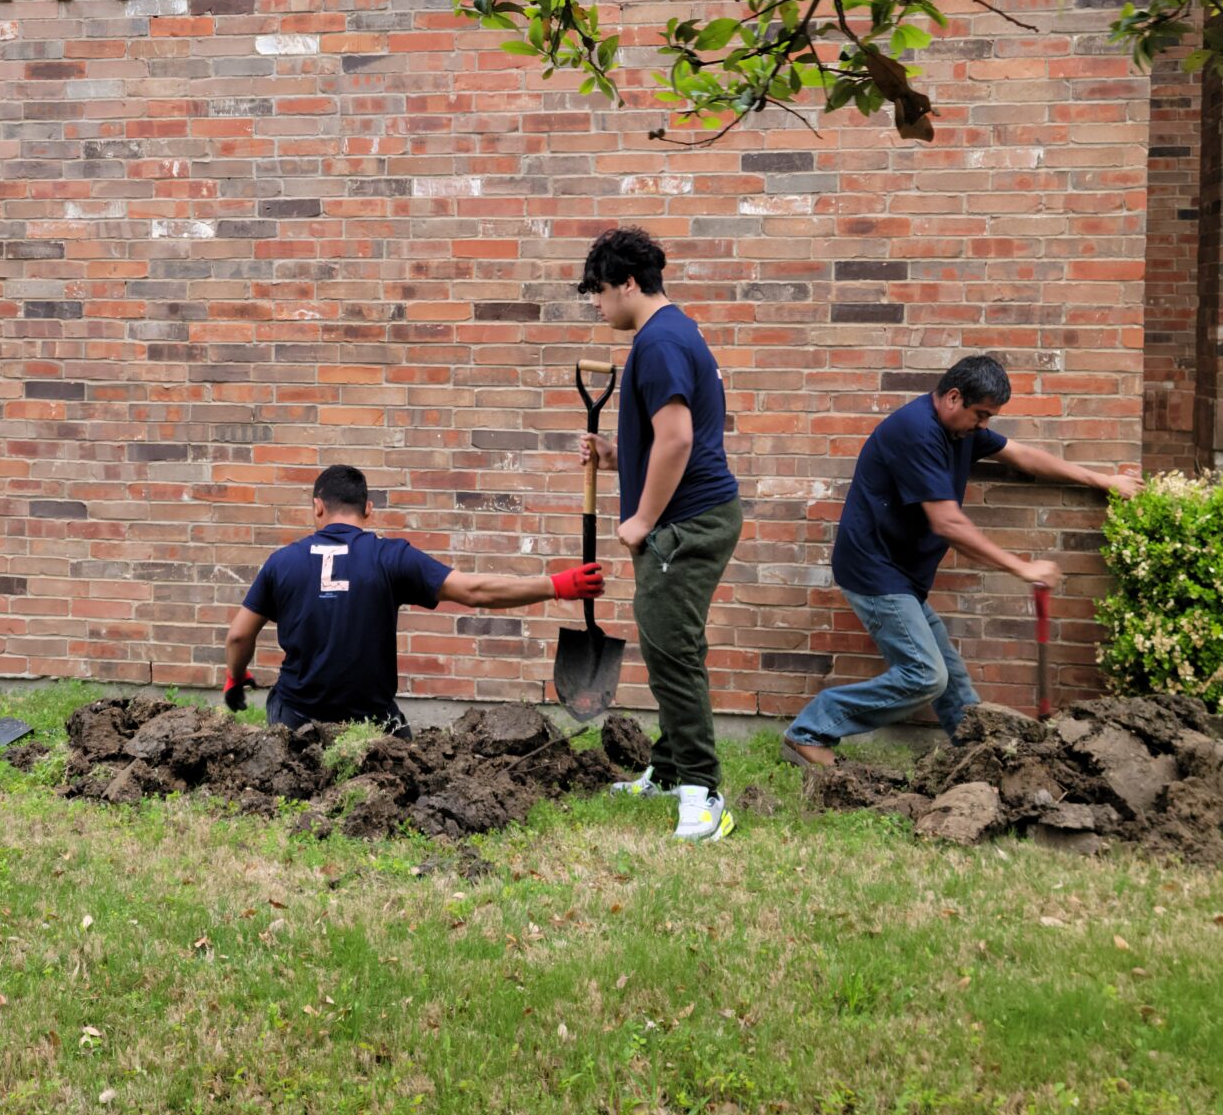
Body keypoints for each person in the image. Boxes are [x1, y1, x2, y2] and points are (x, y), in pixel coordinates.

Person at [783, 355, 1139, 767]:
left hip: (902, 572)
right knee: (924, 676)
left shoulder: (960, 430)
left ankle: (976, 753)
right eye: (981, 414)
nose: (985, 424)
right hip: (874, 569)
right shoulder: (917, 432)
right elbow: (948, 523)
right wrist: (1022, 568)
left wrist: (1102, 479)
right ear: (953, 397)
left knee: (949, 676)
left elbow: (1021, 455)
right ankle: (809, 731)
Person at [575, 226, 747, 843]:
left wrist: (642, 519)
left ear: (628, 283)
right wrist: (617, 453)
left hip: (687, 523)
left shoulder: (660, 343)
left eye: (599, 290)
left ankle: (704, 794)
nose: (597, 304)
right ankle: (671, 769)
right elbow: (669, 440)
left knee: (670, 652)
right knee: (676, 645)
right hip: (696, 513)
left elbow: (678, 441)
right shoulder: (671, 334)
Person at [222, 464, 607, 734]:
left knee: (286, 718)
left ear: (317, 507)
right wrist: (557, 584)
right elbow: (474, 590)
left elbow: (239, 636)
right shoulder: (392, 557)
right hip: (369, 720)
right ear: (368, 510)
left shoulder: (281, 562)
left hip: (297, 718)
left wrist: (235, 678)